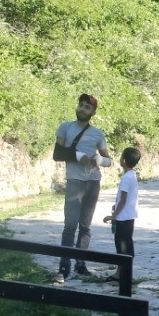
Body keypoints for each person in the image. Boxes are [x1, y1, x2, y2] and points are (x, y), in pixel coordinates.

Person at [53, 93, 112, 283]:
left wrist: (98, 159)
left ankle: (81, 264)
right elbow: (57, 154)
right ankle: (64, 267)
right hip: (74, 181)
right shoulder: (65, 128)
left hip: (93, 182)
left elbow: (109, 161)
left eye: (88, 107)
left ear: (93, 112)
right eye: (81, 105)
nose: (83, 109)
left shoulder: (97, 133)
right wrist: (79, 157)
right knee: (70, 225)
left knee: (85, 227)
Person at [101, 147, 142, 276]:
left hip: (122, 217)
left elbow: (123, 199)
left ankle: (121, 273)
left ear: (123, 160)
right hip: (129, 216)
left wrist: (113, 216)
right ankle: (125, 272)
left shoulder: (126, 178)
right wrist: (116, 204)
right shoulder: (133, 175)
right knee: (128, 244)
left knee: (121, 246)